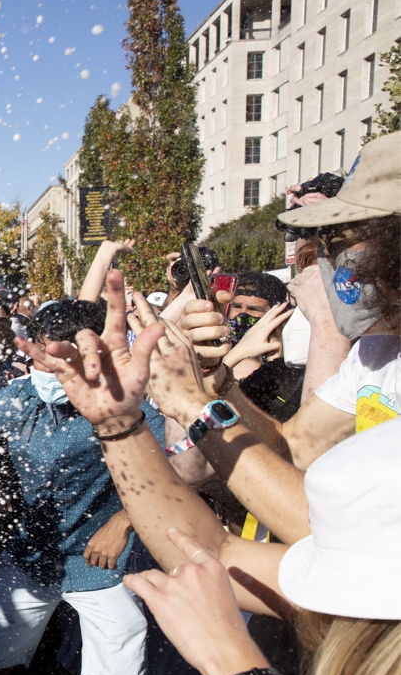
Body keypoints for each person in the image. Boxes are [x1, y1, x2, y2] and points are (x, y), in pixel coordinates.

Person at [19, 269, 400, 675]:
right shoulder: (378, 354)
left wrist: (230, 660)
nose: (335, 262)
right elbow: (215, 550)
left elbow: (306, 515)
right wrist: (121, 426)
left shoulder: (361, 566)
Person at [164, 132, 400, 545]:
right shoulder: (376, 351)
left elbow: (325, 528)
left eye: (342, 235)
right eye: (325, 237)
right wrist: (217, 379)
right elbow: (293, 447)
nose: (328, 255)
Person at [0, 300, 164, 675]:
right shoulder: (17, 398)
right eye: (39, 353)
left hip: (101, 566)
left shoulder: (121, 401)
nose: (43, 369)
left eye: (54, 358)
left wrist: (123, 521)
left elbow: (178, 473)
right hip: (31, 560)